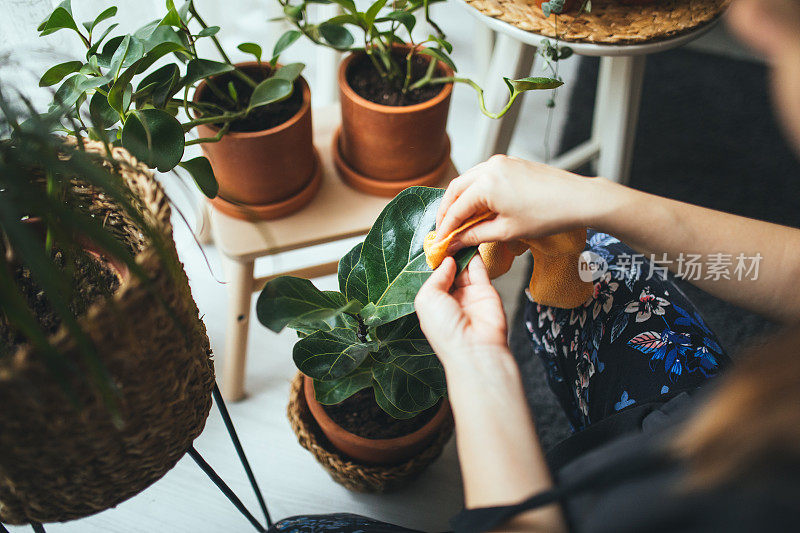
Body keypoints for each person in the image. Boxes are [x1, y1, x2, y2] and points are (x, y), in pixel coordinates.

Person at [269, 0, 800, 530]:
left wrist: (477, 365)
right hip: (684, 422)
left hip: (623, 498)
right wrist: (594, 198)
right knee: (591, 263)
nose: (750, 20)